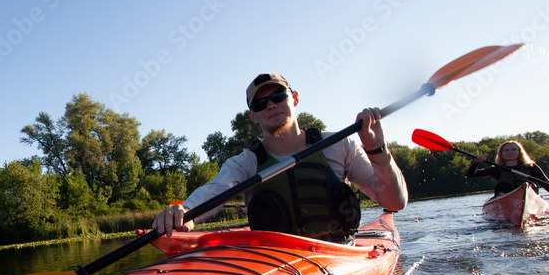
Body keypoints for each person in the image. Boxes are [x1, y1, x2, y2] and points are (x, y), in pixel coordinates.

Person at [153, 73, 408, 243]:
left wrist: (377, 150)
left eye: (278, 97)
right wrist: (186, 211)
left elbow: (394, 203)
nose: (271, 105)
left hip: (339, 257)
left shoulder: (340, 144)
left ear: (294, 98)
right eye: (260, 104)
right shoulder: (246, 163)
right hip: (277, 264)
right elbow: (217, 190)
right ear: (253, 116)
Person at [466, 140, 549, 196]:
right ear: (501, 154)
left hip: (529, 199)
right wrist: (475, 163)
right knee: (502, 187)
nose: (510, 152)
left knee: (528, 185)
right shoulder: (496, 169)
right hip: (505, 200)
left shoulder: (531, 167)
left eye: (514, 149)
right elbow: (470, 175)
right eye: (506, 150)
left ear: (519, 153)